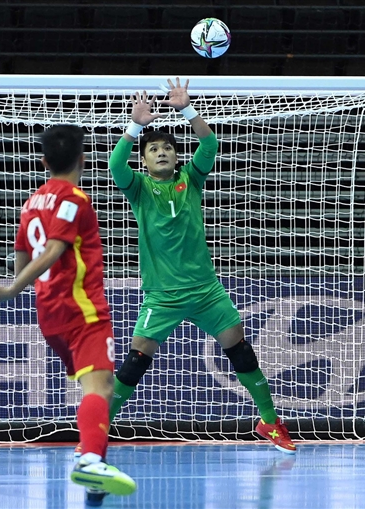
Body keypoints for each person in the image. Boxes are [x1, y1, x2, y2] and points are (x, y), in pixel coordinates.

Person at [101, 78, 295, 454]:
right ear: (144, 159)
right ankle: (100, 427)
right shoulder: (138, 188)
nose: (161, 152)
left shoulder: (190, 179)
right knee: (138, 355)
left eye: (167, 148)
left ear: (176, 157)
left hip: (206, 291)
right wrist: (135, 126)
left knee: (238, 345)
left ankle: (269, 421)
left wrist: (187, 110)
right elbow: (113, 165)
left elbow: (209, 144)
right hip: (163, 295)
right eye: (153, 149)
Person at [0, 125, 136, 504]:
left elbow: (23, 257)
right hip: (82, 307)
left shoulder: (32, 203)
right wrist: (11, 289)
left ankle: (94, 471)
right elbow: (54, 249)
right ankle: (90, 459)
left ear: (44, 161)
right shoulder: (74, 198)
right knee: (101, 388)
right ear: (83, 159)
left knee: (93, 389)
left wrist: (19, 281)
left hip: (50, 314)